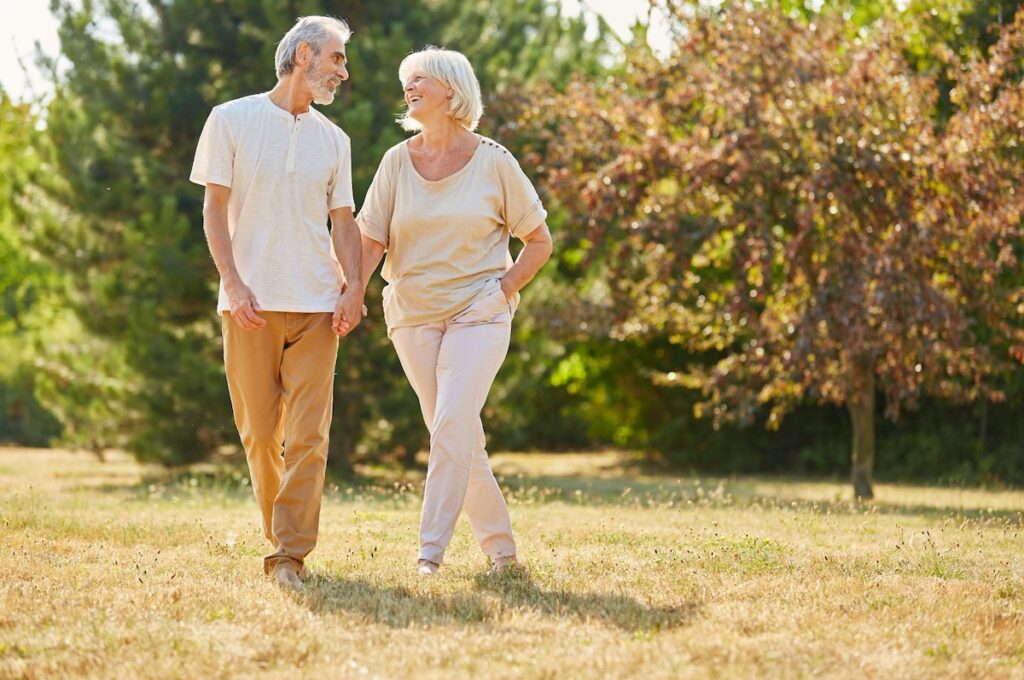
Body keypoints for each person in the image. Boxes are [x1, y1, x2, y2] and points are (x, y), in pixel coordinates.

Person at [353, 46, 554, 576]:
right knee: (460, 435)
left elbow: (538, 240)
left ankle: (429, 555)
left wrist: (502, 290)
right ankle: (503, 555)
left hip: (478, 314)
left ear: (451, 90)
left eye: (420, 79)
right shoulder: (397, 161)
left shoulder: (494, 159)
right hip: (413, 316)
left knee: (449, 425)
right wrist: (351, 293)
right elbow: (370, 241)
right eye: (406, 81)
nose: (409, 87)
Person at [189, 15, 364, 590]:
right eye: (337, 58)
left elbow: (344, 222)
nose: (343, 71)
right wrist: (233, 283)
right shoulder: (231, 120)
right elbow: (214, 210)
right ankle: (278, 531)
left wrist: (354, 286)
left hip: (317, 304)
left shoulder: (334, 140)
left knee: (310, 435)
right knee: (261, 434)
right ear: (305, 55)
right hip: (250, 305)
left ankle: (289, 553)